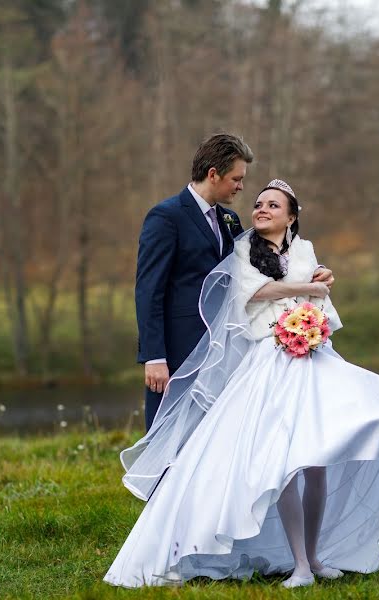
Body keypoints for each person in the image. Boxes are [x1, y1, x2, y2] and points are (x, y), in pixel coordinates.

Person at [106, 179, 379, 589]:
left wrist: (313, 319)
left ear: (291, 215)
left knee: (316, 459)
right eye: (258, 203)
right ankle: (299, 565)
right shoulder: (242, 249)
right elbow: (253, 293)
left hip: (313, 357)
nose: (261, 209)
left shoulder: (305, 251)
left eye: (272, 205)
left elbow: (323, 305)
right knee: (282, 462)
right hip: (269, 358)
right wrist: (307, 291)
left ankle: (315, 556)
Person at [135, 134, 334, 430]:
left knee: (212, 436)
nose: (241, 186)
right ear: (213, 175)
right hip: (178, 348)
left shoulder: (228, 219)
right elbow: (149, 289)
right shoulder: (166, 217)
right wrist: (154, 356)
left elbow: (262, 257)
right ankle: (159, 480)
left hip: (224, 347)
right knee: (167, 430)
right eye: (236, 179)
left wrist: (314, 270)